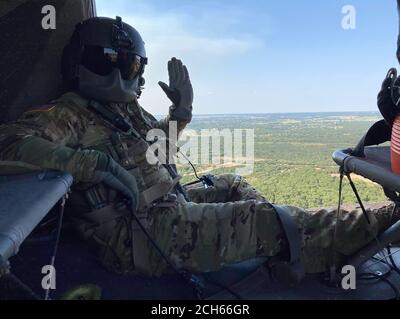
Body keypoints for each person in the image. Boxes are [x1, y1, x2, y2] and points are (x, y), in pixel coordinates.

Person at [0, 16, 397, 279]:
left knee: (232, 184)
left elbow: (155, 149)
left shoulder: (122, 110)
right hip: (137, 236)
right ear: (106, 64)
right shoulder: (68, 113)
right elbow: (8, 144)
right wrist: (85, 162)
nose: (136, 77)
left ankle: (282, 246)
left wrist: (181, 110)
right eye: (132, 66)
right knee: (257, 216)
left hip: (165, 206)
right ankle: (381, 221)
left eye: (138, 67)